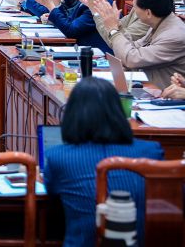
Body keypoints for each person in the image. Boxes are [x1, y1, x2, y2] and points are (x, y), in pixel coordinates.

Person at [43, 77, 163, 247]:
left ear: (72, 115)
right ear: (119, 113)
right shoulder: (151, 152)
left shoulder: (58, 157)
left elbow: (52, 197)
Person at [91, 0, 185, 89]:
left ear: (148, 13)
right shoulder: (160, 22)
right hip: (149, 89)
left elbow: (132, 59)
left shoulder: (174, 36)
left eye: (135, 8)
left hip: (166, 98)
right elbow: (133, 47)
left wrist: (113, 30)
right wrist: (117, 26)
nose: (134, 10)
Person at [33, 0, 112, 54]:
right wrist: (56, 5)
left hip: (96, 57)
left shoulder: (97, 2)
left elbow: (71, 31)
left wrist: (52, 6)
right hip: (81, 50)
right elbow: (69, 22)